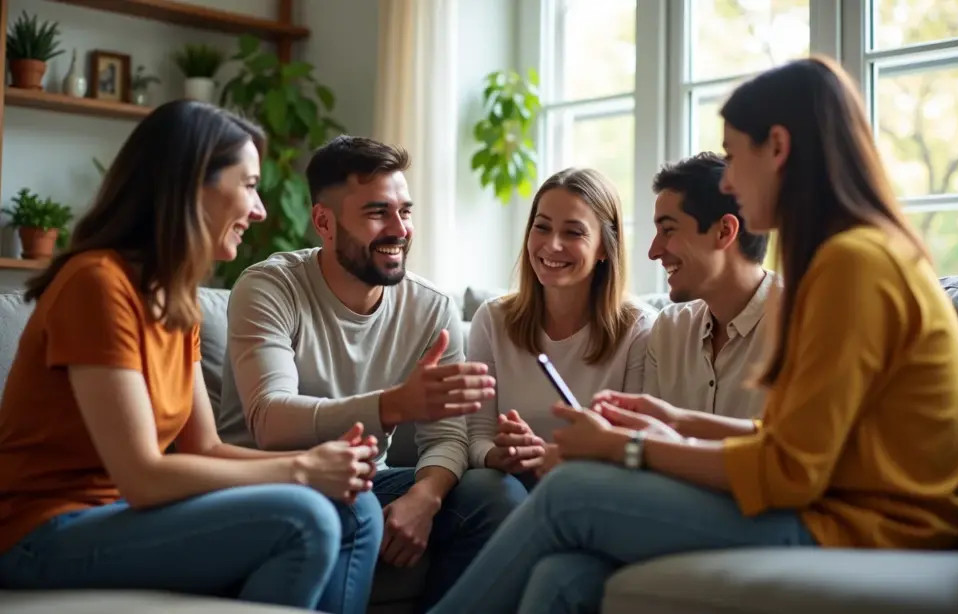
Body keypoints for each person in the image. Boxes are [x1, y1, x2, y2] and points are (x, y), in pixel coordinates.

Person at [424, 55, 958, 614]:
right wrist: (675, 421)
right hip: (843, 509)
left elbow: (788, 471)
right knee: (567, 575)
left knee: (569, 494)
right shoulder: (856, 256)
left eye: (734, 156)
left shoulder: (851, 265)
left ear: (777, 148)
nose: (729, 180)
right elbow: (792, 440)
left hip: (871, 529)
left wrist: (628, 447)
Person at [0, 100, 384, 614]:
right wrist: (300, 469)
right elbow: (142, 474)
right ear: (193, 185)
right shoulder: (98, 284)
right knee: (303, 517)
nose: (261, 209)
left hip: (122, 515)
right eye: (249, 185)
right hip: (40, 531)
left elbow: (203, 446)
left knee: (358, 506)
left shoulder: (175, 300)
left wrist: (323, 467)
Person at [216, 135, 527, 610]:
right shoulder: (270, 288)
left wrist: (425, 496)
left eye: (405, 211)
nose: (399, 228)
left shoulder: (430, 309)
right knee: (354, 500)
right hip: (268, 478)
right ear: (324, 221)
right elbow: (270, 420)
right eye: (377, 212)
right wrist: (394, 405)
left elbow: (447, 437)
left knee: (494, 494)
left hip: (367, 478)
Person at [466, 168, 653, 487]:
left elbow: (635, 447)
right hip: (507, 486)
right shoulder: (492, 319)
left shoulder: (639, 328)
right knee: (488, 488)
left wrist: (551, 456)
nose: (552, 245)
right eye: (542, 227)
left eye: (573, 233)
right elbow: (476, 436)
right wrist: (498, 454)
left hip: (590, 490)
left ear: (605, 248)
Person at [644, 152, 773, 420]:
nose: (654, 252)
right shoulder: (669, 330)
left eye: (668, 230)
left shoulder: (801, 325)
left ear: (724, 231)